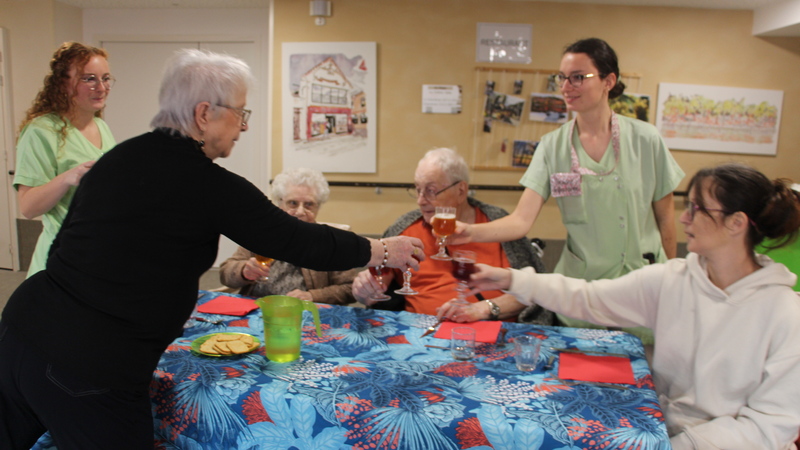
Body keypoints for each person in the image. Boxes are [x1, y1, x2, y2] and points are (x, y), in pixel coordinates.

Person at [0, 49, 423, 450]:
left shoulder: (121, 156)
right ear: (204, 114)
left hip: (21, 327)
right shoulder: (205, 182)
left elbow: (65, 247)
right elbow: (295, 239)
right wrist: (381, 249)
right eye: (240, 112)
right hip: (89, 360)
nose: (244, 126)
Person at [467, 163, 800, 449]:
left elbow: (769, 426)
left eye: (698, 209)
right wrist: (510, 279)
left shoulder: (784, 313)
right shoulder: (674, 280)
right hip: (661, 433)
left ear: (736, 223)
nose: (683, 218)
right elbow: (589, 298)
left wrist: (676, 445)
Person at [452, 37, 684, 344]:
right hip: (580, 291)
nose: (566, 86)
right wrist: (470, 231)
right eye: (562, 78)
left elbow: (666, 217)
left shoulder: (645, 139)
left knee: (640, 381)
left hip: (641, 285)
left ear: (608, 81)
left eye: (578, 77)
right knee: (581, 377)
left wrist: (671, 278)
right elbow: (521, 220)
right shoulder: (552, 147)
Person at [353, 148, 551, 325]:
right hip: (423, 337)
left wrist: (483, 309)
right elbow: (376, 291)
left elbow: (536, 290)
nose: (421, 201)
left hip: (497, 337)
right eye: (417, 189)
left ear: (461, 191)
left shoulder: (499, 225)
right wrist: (364, 290)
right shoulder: (405, 230)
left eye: (431, 190)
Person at [13, 42, 117, 278]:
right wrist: (70, 177)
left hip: (96, 253)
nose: (101, 87)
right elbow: (28, 207)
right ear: (63, 83)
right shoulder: (41, 131)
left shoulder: (100, 125)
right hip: (62, 258)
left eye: (106, 78)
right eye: (89, 79)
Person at [219, 167, 360, 304]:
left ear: (318, 207)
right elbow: (225, 273)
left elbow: (349, 287)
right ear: (279, 204)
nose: (300, 211)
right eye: (293, 203)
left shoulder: (331, 241)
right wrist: (244, 270)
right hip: (258, 310)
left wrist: (313, 296)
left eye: (309, 204)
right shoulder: (260, 233)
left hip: (305, 315)